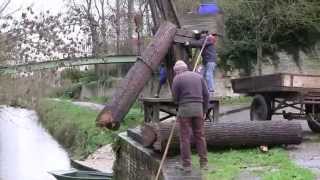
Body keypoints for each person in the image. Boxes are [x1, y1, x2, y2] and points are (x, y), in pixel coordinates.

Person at [172, 60, 209, 172]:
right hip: (198, 109)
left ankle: (186, 165)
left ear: (178, 71)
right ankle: (204, 164)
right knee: (200, 136)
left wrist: (179, 105)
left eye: (175, 72)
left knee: (185, 138)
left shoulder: (177, 79)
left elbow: (175, 98)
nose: (175, 74)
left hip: (184, 110)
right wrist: (205, 110)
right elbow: (206, 95)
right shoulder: (199, 76)